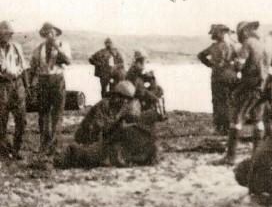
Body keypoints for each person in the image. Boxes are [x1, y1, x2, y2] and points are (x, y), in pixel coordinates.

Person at [58, 80, 157, 169]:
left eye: (128, 99)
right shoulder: (104, 105)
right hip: (89, 137)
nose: (126, 101)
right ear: (117, 95)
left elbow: (131, 119)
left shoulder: (122, 106)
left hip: (105, 137)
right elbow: (96, 127)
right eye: (124, 98)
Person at [217, 21, 270, 165]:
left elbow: (239, 65)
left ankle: (230, 157)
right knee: (258, 120)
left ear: (244, 32)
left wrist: (233, 64)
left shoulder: (247, 44)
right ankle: (256, 156)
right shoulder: (262, 44)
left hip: (249, 85)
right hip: (263, 86)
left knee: (236, 119)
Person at [30, 22, 72, 155]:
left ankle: (54, 145)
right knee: (43, 114)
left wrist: (57, 49)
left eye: (53, 33)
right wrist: (31, 84)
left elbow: (68, 61)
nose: (51, 35)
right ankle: (44, 144)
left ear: (56, 34)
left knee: (57, 113)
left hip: (57, 80)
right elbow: (33, 67)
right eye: (48, 33)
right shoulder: (38, 49)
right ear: (44, 35)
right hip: (43, 81)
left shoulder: (63, 45)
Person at [197, 24, 237, 134]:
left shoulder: (213, 47)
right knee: (230, 101)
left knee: (218, 102)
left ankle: (220, 127)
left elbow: (200, 55)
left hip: (217, 77)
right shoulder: (232, 46)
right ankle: (230, 126)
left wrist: (210, 65)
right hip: (231, 76)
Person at [0, 21, 27, 159]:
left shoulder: (17, 47)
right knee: (1, 120)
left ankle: (16, 150)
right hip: (1, 86)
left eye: (9, 34)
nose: (7, 36)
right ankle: (4, 151)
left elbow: (24, 67)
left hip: (18, 85)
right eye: (4, 33)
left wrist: (26, 87)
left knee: (21, 120)